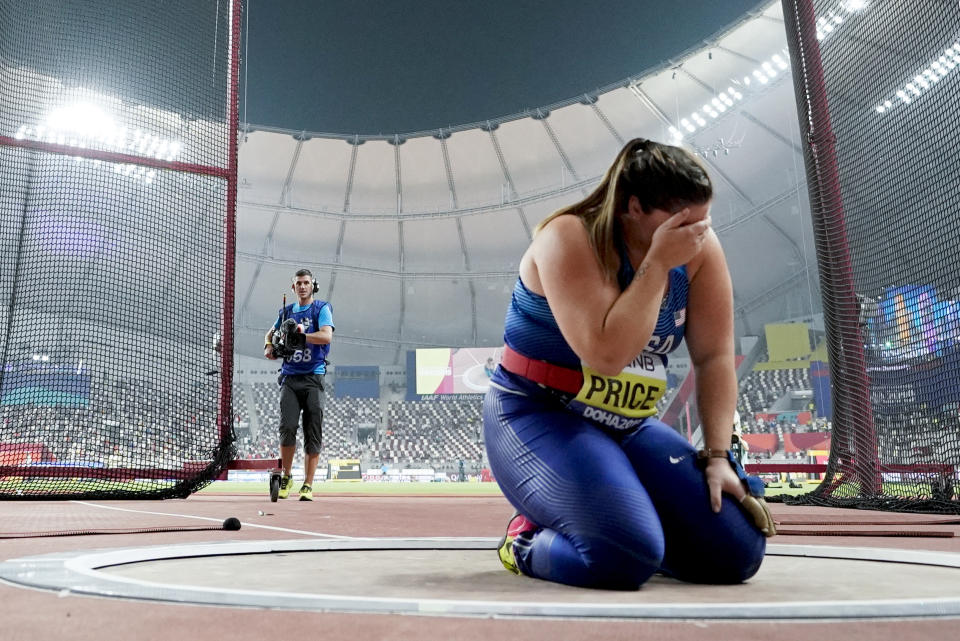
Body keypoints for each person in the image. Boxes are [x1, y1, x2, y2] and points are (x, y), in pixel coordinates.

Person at [482, 138, 774, 590]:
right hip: (538, 415)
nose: (696, 234)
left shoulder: (698, 247)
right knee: (621, 555)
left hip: (626, 423)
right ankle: (525, 541)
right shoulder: (567, 237)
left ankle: (629, 523)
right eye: (681, 223)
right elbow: (607, 356)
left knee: (734, 551)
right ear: (633, 208)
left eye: (703, 220)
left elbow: (714, 357)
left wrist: (718, 457)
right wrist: (657, 265)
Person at [264, 268, 334, 501]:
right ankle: (286, 476)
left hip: (314, 376)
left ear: (313, 285)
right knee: (287, 427)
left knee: (313, 431)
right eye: (299, 283)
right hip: (290, 378)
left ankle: (308, 484)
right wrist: (269, 349)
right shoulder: (285, 312)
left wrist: (301, 337)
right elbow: (270, 334)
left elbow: (326, 336)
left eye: (306, 282)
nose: (303, 286)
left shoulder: (322, 308)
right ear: (292, 288)